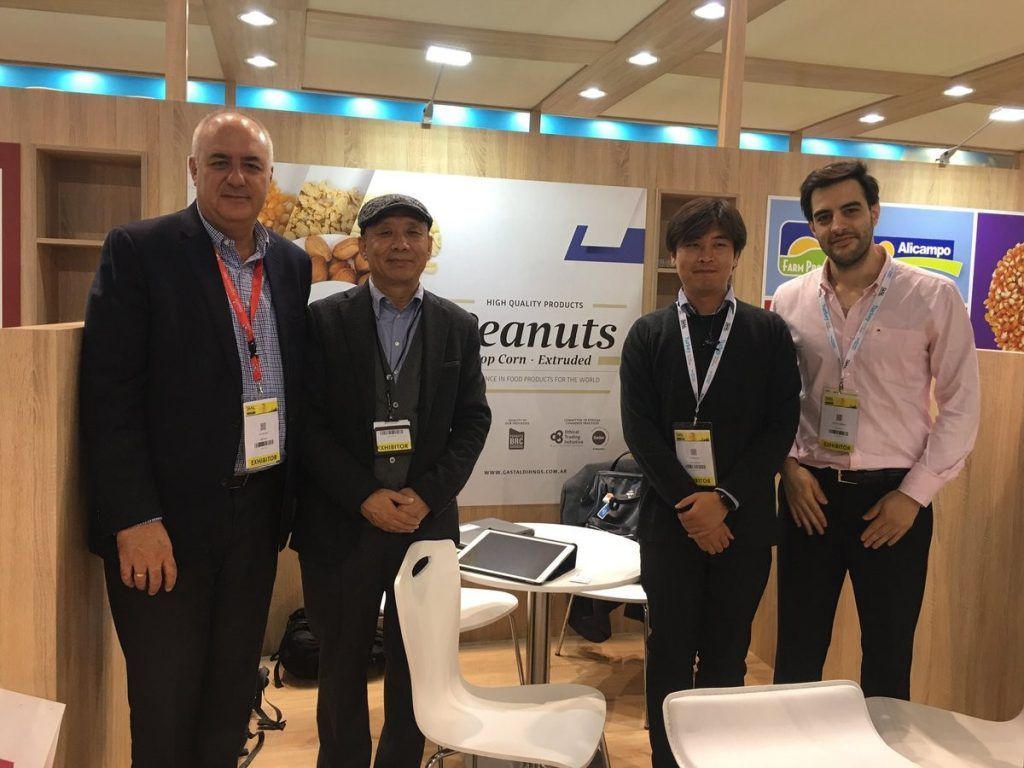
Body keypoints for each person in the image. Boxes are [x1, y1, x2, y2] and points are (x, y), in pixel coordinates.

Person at [79, 110, 310, 767]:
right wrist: (134, 518)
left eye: (251, 165)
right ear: (193, 170)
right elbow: (108, 396)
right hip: (165, 523)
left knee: (229, 696)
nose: (237, 177)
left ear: (269, 177)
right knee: (165, 705)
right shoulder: (141, 250)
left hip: (256, 515)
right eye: (220, 162)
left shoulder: (291, 263)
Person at [292, 193, 491, 768]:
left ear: (429, 245)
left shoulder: (458, 326)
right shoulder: (323, 321)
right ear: (362, 245)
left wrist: (426, 496)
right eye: (384, 233)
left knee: (417, 668)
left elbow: (473, 421)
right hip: (342, 525)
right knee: (340, 666)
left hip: (424, 527)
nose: (400, 244)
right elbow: (307, 423)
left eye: (412, 233)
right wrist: (364, 496)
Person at [771, 160, 980, 699]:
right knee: (796, 650)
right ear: (812, 227)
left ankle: (884, 742)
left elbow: (961, 406)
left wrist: (913, 497)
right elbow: (775, 399)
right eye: (824, 216)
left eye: (850, 210)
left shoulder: (933, 296)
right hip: (808, 496)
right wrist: (788, 467)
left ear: (875, 213)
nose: (838, 225)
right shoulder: (790, 300)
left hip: (893, 501)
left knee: (888, 656)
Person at [619, 197, 800, 767]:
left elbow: (780, 426)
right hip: (669, 524)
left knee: (728, 654)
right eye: (693, 245)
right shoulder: (648, 334)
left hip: (744, 524)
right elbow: (639, 430)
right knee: (668, 652)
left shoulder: (767, 332)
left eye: (719, 245)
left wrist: (722, 501)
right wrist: (691, 505)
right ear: (674, 255)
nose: (705, 256)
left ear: (736, 256)